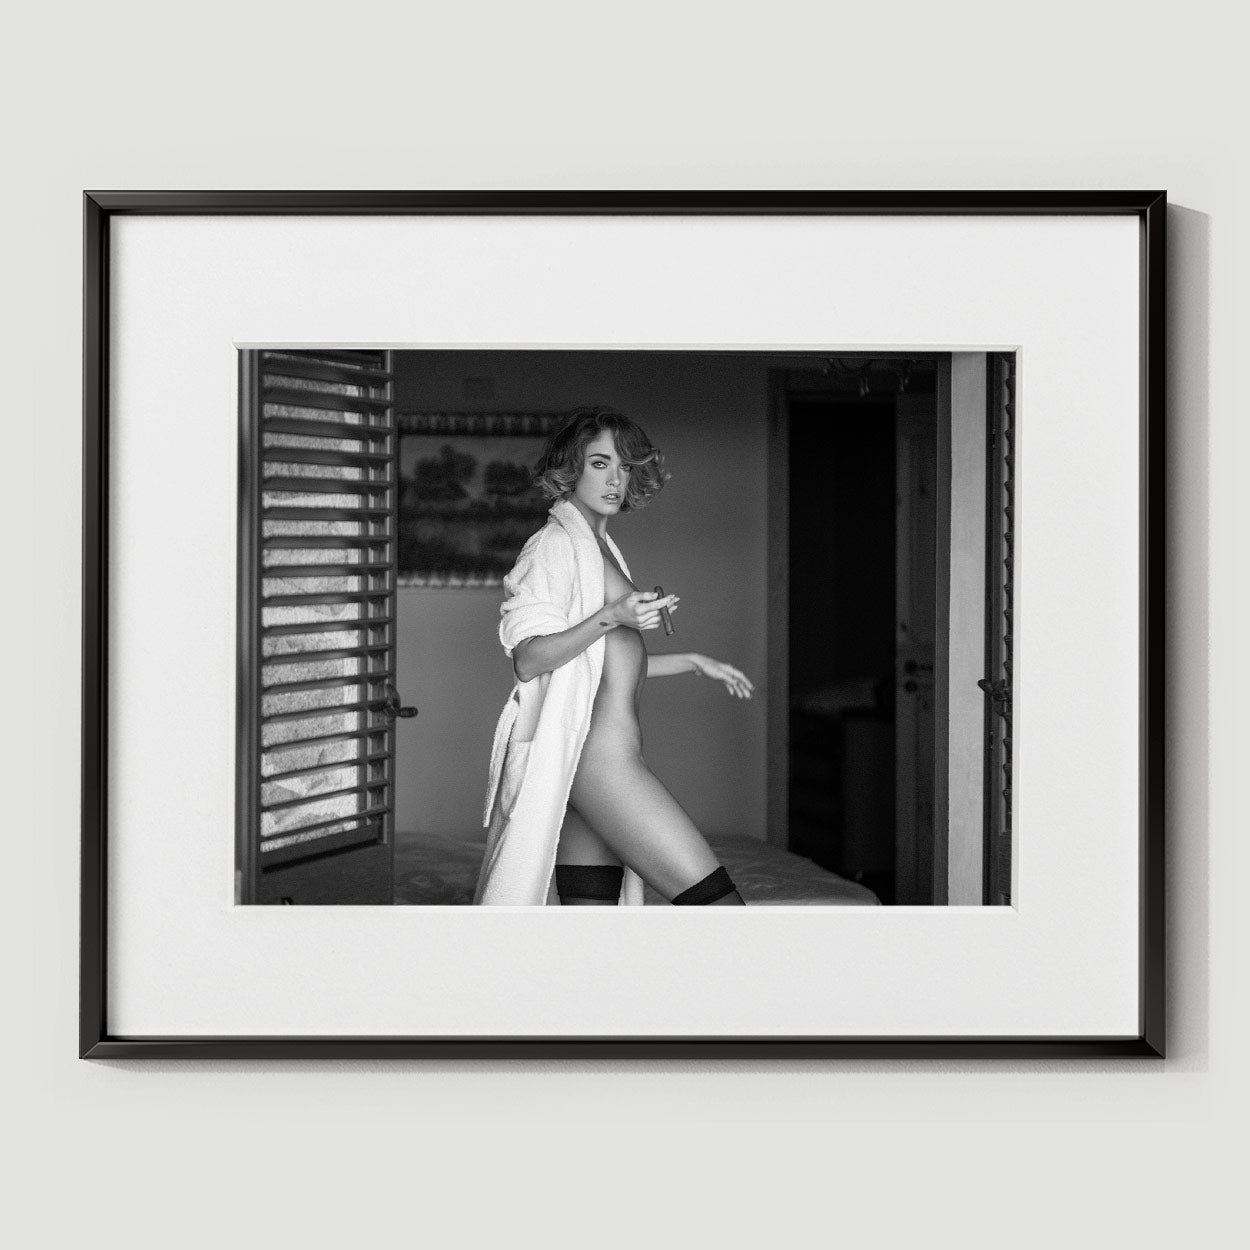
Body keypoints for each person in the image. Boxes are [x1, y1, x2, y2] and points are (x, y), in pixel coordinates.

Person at [474, 406, 755, 907]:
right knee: (720, 909)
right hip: (600, 767)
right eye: (600, 463)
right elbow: (529, 659)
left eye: (625, 466)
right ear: (570, 467)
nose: (615, 479)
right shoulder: (554, 548)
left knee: (593, 930)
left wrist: (691, 660)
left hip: (599, 763)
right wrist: (612, 615)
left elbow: (601, 669)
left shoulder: (597, 547)